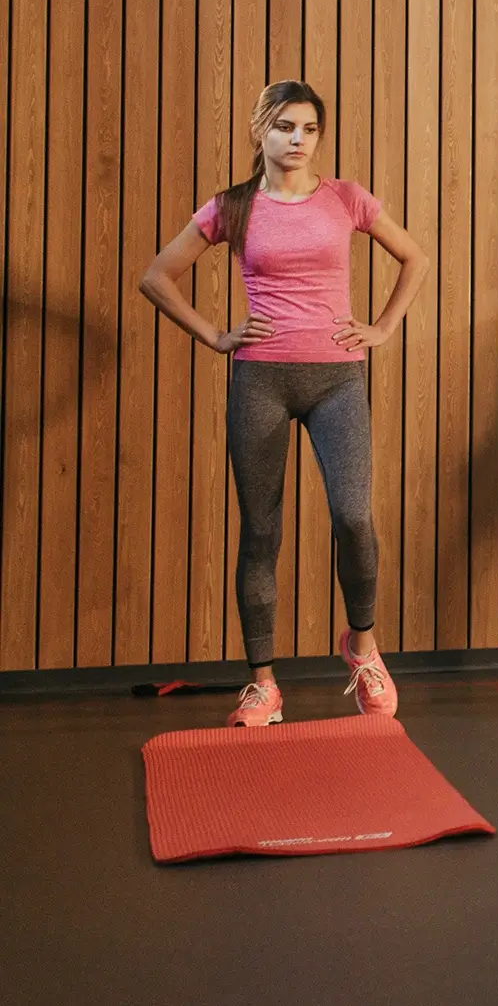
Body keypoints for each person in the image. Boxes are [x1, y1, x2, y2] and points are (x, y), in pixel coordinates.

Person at [139, 80, 431, 727]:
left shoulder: (346, 198)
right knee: (261, 532)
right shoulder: (232, 207)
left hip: (336, 380)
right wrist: (216, 334)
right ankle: (263, 686)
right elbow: (157, 275)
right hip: (261, 381)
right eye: (284, 128)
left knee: (354, 517)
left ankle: (363, 649)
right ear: (259, 132)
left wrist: (380, 328)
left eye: (308, 129)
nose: (297, 140)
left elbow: (414, 257)